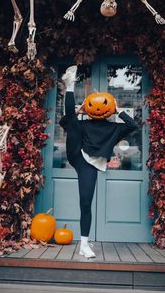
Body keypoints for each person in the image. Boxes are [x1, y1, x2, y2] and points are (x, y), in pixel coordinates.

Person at [59, 65, 138, 258]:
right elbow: (65, 122)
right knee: (72, 121)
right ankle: (69, 85)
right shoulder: (84, 122)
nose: (97, 107)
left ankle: (84, 244)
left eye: (103, 104)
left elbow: (132, 125)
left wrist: (117, 109)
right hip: (77, 154)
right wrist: (80, 110)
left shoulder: (114, 128)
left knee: (85, 203)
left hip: (90, 163)